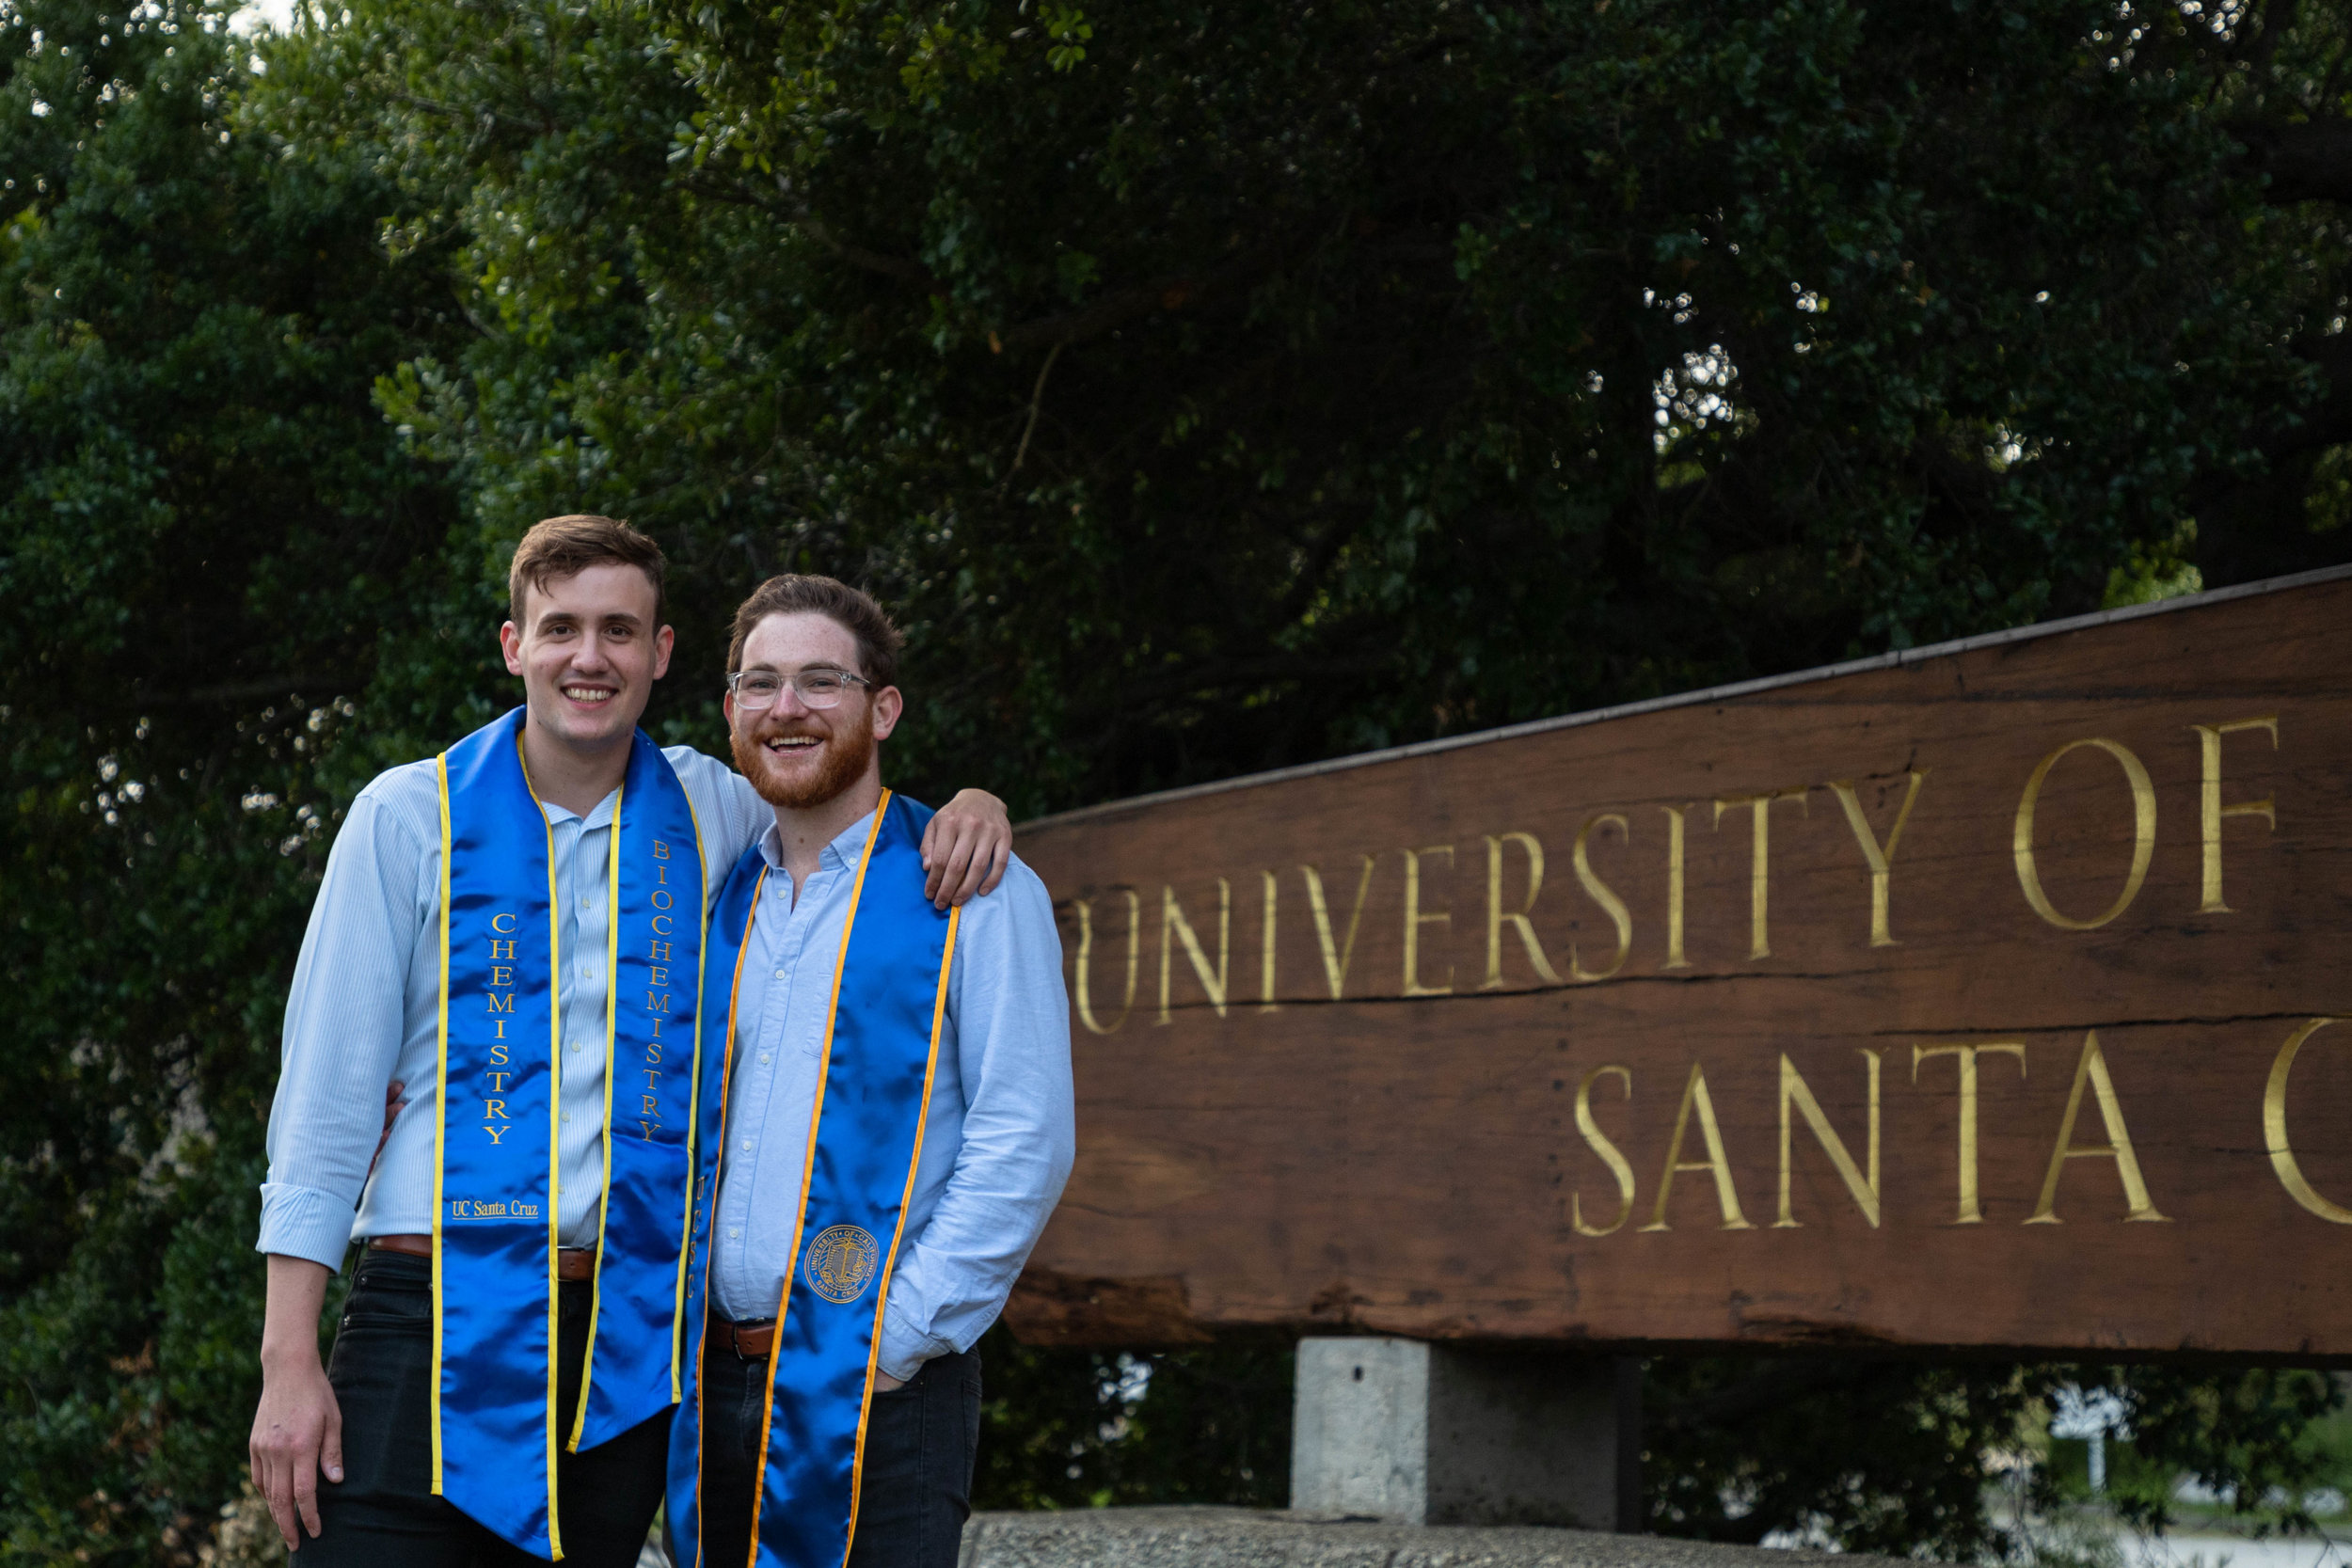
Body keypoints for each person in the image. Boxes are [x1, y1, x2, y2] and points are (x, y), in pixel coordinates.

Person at [247, 516, 1019, 1565]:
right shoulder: (406, 816)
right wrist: (288, 1358)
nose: (589, 655)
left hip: (622, 1348)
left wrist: (972, 806)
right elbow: (325, 1103)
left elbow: (837, 799)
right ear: (515, 645)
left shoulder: (715, 808)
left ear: (660, 655)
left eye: (621, 629)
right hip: (432, 1322)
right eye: (559, 626)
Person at [665, 576, 1073, 1568]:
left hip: (881, 1391)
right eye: (759, 683)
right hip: (705, 1392)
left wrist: (896, 1334)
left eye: (820, 681)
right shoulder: (711, 890)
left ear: (881, 707)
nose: (787, 707)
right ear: (730, 713)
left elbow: (1024, 1132)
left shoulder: (971, 887)